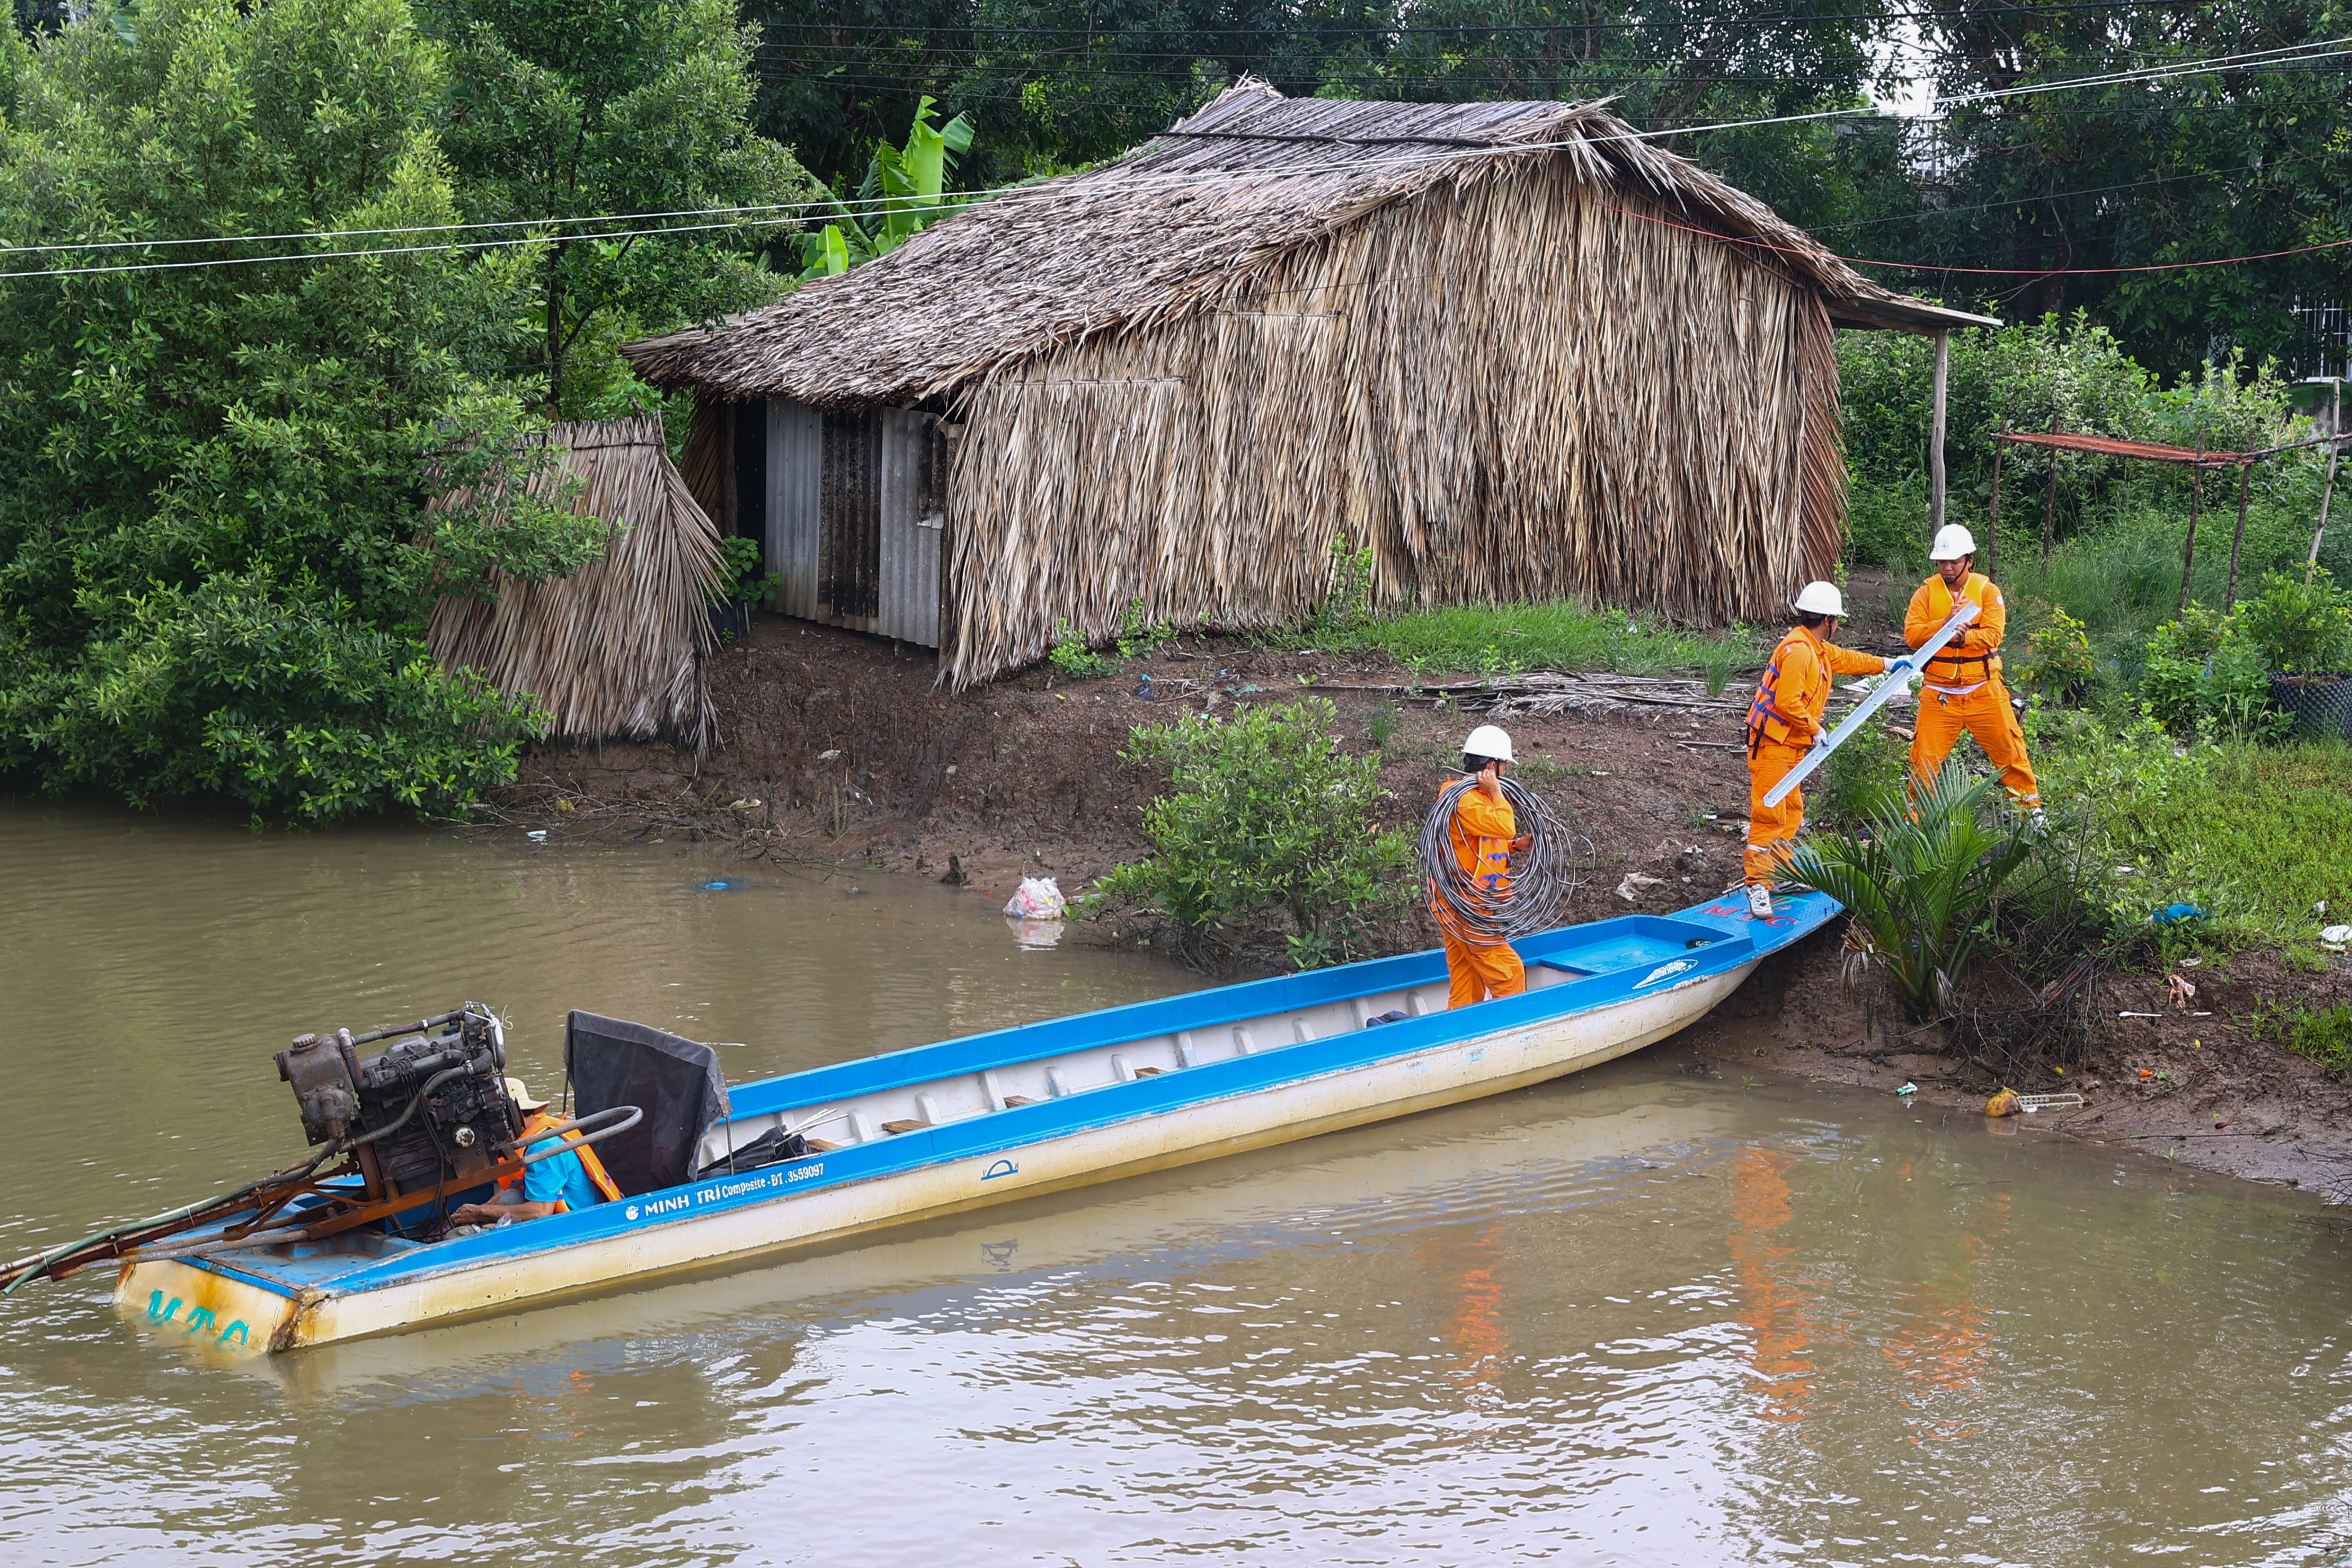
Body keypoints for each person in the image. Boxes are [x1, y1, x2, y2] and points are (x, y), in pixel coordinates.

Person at [1743, 581, 1889, 919]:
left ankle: (1779, 873)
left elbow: (1848, 659)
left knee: (1791, 812)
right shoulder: (1800, 652)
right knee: (1770, 815)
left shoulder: (1815, 647)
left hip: (1790, 746)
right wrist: (1815, 728)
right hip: (1774, 746)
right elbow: (1787, 701)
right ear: (1828, 620)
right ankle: (1758, 884)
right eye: (1836, 620)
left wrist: (1888, 663)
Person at [1905, 524, 2042, 819]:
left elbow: (1993, 635)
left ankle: (2031, 818)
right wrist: (1943, 625)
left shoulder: (1988, 592)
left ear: (1969, 561)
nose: (1948, 567)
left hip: (1984, 691)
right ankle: (1915, 827)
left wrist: (1963, 637)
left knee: (2012, 755)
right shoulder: (1925, 594)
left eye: (1955, 561)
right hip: (1939, 695)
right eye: (1942, 561)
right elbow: (1913, 636)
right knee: (1923, 763)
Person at [1432, 723, 1534, 1009]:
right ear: (1491, 766)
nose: (1506, 772)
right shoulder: (1465, 800)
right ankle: (1512, 1028)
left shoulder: (1471, 799)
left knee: (1468, 980)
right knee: (1509, 973)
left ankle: (1458, 1030)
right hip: (1466, 906)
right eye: (1504, 766)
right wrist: (1498, 793)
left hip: (1459, 904)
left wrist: (1516, 846)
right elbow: (1504, 825)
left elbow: (1474, 846)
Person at [448, 1077, 621, 1227]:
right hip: (574, 1214)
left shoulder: (544, 1147)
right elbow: (518, 1185)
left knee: (510, 1201)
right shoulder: (534, 1136)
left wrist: (480, 1212)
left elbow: (540, 1211)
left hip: (585, 1223)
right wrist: (480, 1210)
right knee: (509, 1197)